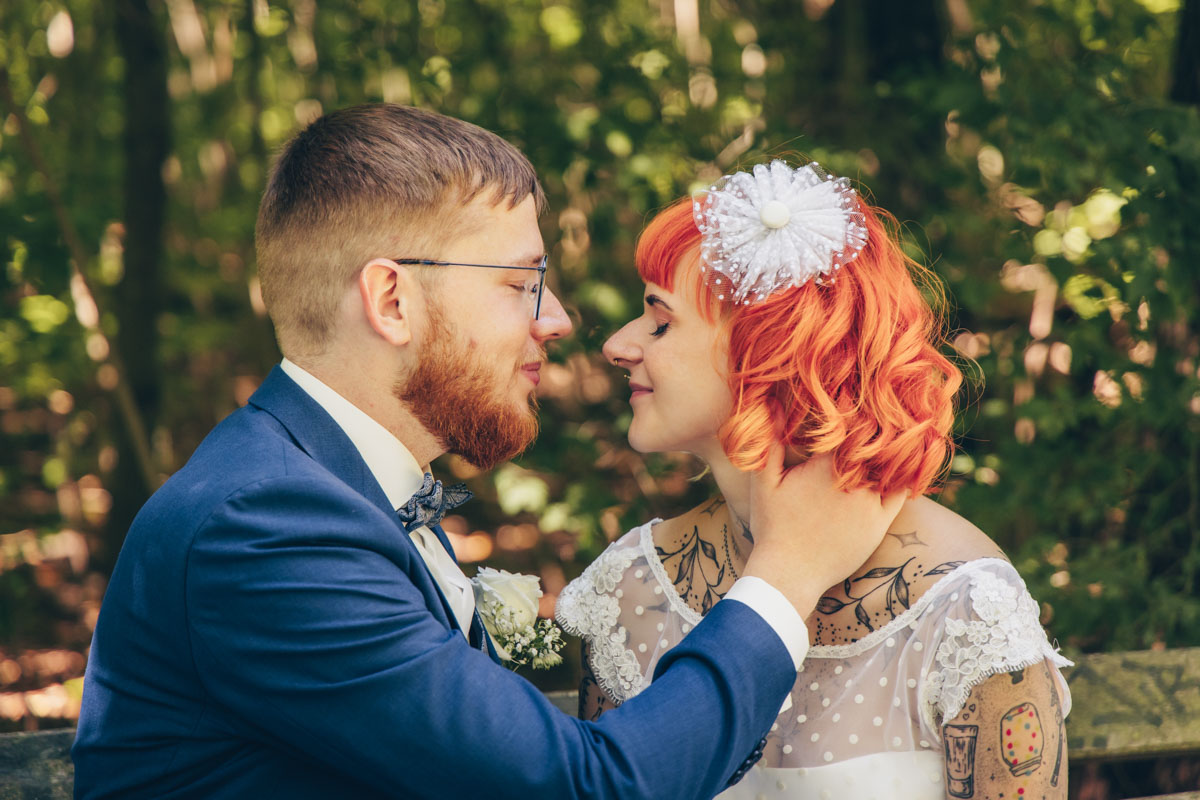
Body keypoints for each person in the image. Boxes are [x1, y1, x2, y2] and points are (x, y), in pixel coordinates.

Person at [71, 107, 901, 799]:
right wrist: (790, 571)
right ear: (392, 299)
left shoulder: (330, 487)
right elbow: (583, 790)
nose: (558, 320)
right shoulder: (261, 528)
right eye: (521, 283)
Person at [557, 160, 1073, 799]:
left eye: (660, 320)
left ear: (767, 351)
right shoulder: (632, 589)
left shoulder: (964, 608)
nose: (617, 344)